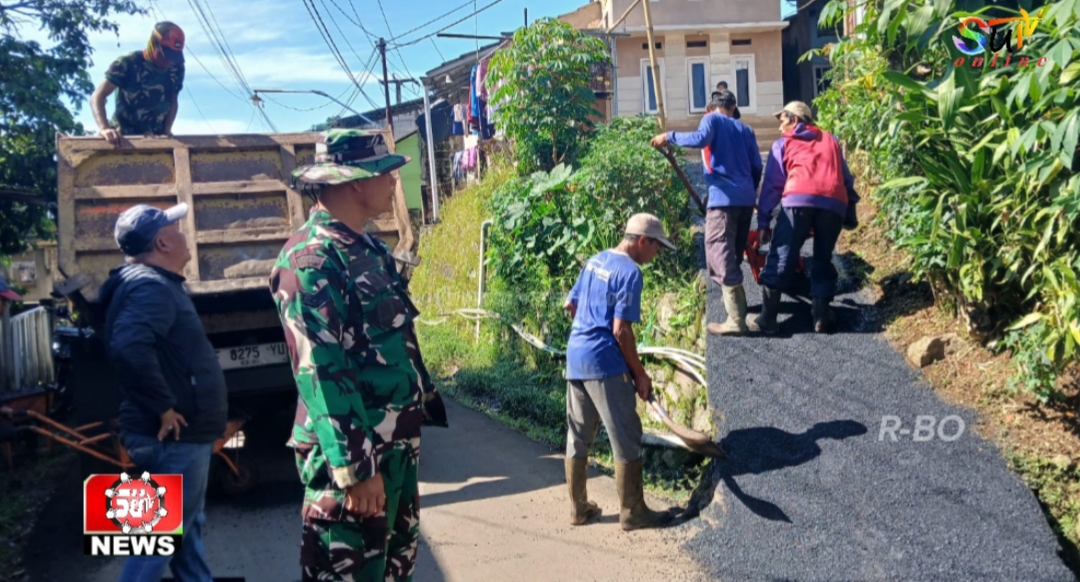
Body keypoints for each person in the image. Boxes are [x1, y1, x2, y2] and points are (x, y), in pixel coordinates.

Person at [269, 129, 447, 582]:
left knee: (393, 570)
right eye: (385, 173)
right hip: (358, 457)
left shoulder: (367, 247)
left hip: (396, 448)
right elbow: (321, 371)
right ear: (355, 182)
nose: (393, 182)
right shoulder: (311, 261)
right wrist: (354, 467)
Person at [99, 203, 227, 582]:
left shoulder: (149, 283)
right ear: (162, 242)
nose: (185, 233)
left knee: (184, 534)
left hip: (178, 439)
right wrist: (164, 407)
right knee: (154, 546)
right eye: (176, 227)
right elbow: (129, 347)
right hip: (174, 439)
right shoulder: (149, 287)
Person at [562, 213, 679, 531]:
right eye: (657, 248)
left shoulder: (595, 260)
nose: (656, 256)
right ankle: (633, 513)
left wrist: (587, 333)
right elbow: (621, 331)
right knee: (626, 435)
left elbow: (570, 305)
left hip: (576, 357)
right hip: (605, 364)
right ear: (643, 241)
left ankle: (577, 508)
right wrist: (639, 374)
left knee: (578, 436)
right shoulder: (630, 272)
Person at [651, 90, 762, 336]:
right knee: (733, 252)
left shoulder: (712, 119)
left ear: (709, 108)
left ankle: (736, 320)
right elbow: (757, 166)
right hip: (744, 203)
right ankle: (737, 312)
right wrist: (751, 195)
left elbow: (700, 139)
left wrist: (668, 136)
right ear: (734, 107)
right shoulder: (746, 130)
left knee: (719, 253)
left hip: (722, 202)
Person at [753, 101, 860, 335]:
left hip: (798, 200)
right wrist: (850, 208)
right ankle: (821, 316)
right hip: (833, 203)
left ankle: (767, 318)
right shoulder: (830, 139)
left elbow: (772, 185)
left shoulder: (784, 143)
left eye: (782, 121)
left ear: (794, 120)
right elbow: (846, 178)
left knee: (782, 254)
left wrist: (763, 222)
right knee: (822, 257)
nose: (780, 128)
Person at [92, 22, 186, 146]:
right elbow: (97, 96)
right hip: (125, 139)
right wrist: (104, 128)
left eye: (173, 57)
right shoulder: (127, 63)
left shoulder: (176, 68)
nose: (168, 61)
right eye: (164, 55)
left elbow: (173, 100)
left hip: (156, 140)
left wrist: (167, 130)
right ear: (153, 44)